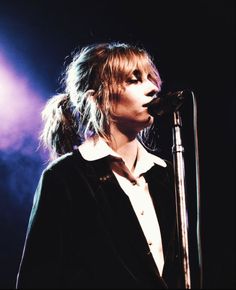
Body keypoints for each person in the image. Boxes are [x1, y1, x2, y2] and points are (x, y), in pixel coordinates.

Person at [16, 42, 183, 289]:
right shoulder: (65, 177)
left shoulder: (167, 174)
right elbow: (38, 277)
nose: (151, 88)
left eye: (151, 78)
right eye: (134, 80)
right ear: (98, 98)